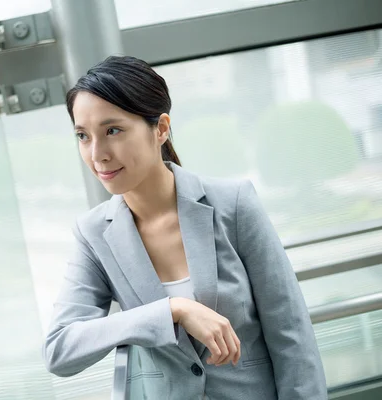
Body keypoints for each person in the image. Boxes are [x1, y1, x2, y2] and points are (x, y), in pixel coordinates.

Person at [43, 56, 327, 399]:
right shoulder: (94, 234)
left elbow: (292, 335)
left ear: (161, 128)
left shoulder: (233, 204)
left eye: (112, 130)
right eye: (83, 136)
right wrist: (172, 311)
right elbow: (59, 350)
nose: (97, 153)